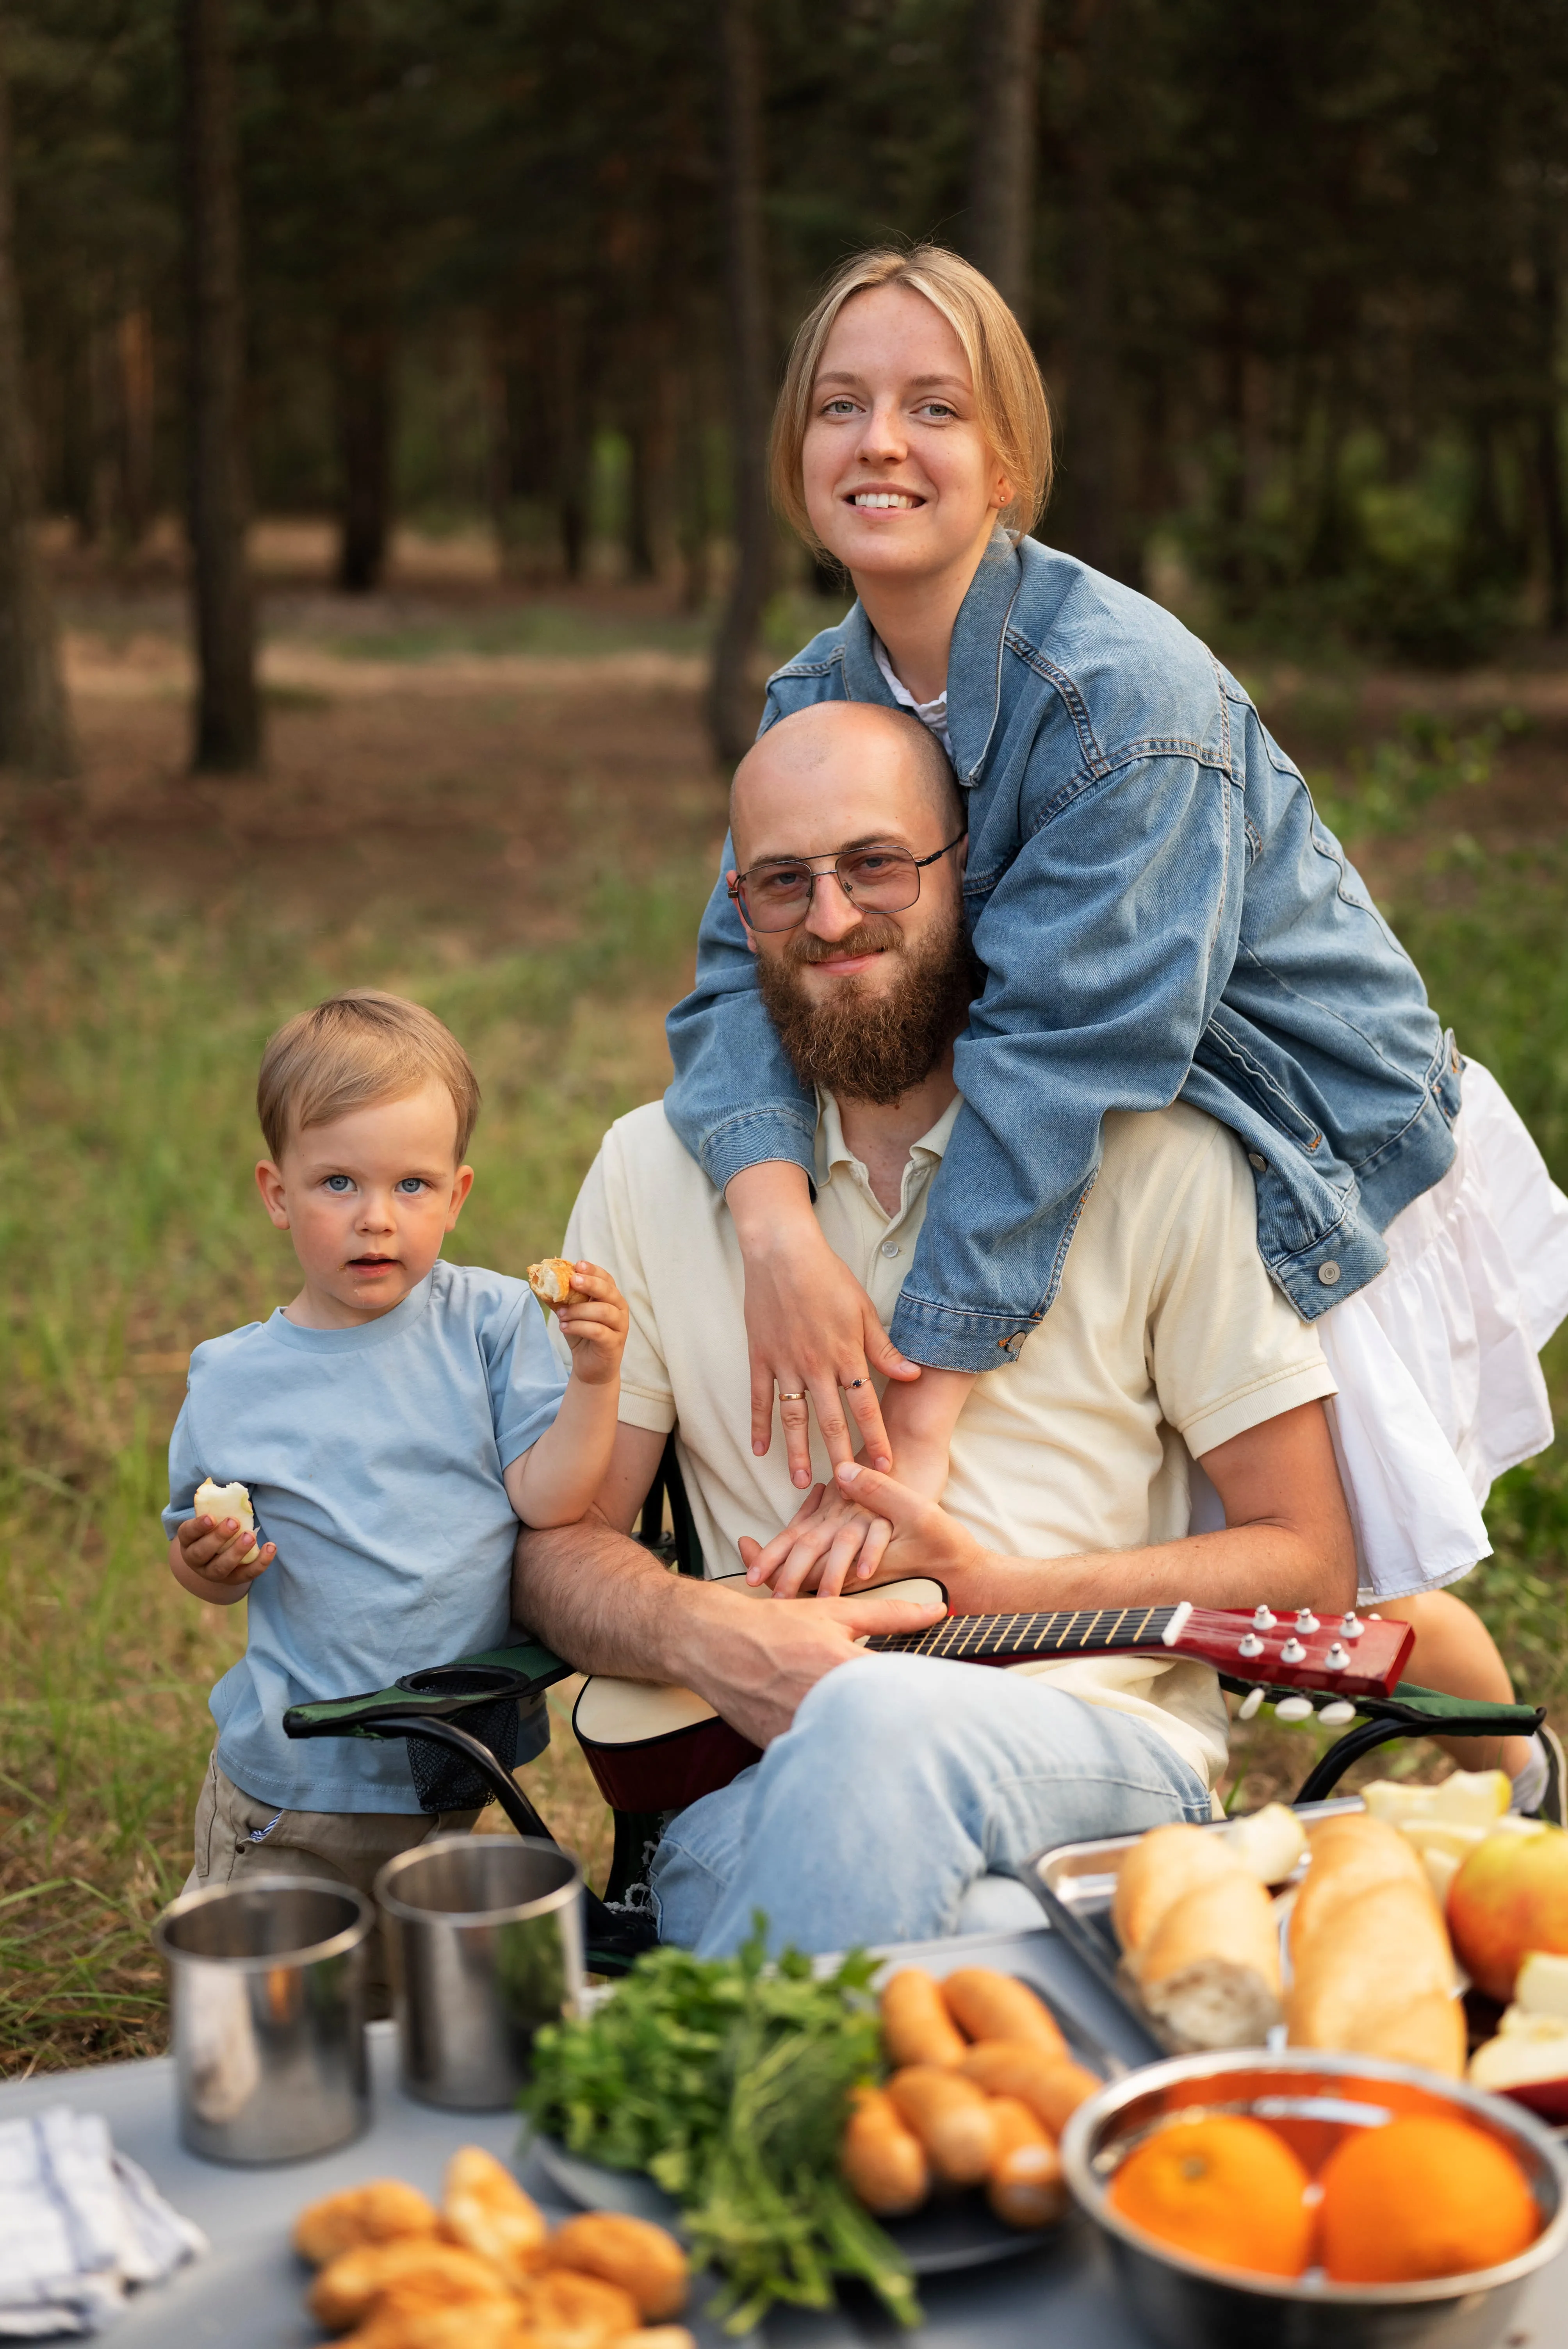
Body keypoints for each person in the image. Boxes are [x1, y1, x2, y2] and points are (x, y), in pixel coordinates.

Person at [664, 242, 1568, 1809]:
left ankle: (1507, 1786)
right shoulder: (822, 686)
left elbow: (1055, 1065)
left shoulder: (1113, 698)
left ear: (1003, 458)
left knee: (1312, 1584)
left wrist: (923, 1420)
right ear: (791, 454)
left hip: (1294, 1136)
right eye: (839, 405)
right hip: (1118, 1131)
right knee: (1131, 1519)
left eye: (932, 406)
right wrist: (772, 1225)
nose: (879, 442)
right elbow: (727, 962)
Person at [514, 700, 1362, 1955]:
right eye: (782, 883)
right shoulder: (650, 1172)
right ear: (737, 909)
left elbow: (1309, 1562)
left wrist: (1012, 1593)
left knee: (878, 1726)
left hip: (1103, 1764)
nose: (833, 917)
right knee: (993, 1940)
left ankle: (745, 2112)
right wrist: (711, 1632)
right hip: (751, 1793)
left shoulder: (1159, 1160)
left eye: (876, 865)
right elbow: (556, 1543)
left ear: (969, 871)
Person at [161, 989, 629, 1940]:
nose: (377, 1218)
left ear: (456, 1196)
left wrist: (595, 1375)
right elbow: (196, 1548)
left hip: (448, 1754)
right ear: (277, 1192)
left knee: (409, 1980)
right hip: (300, 1776)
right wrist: (205, 1562)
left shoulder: (493, 1325)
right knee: (276, 1980)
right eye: (339, 1183)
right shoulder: (236, 1379)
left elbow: (549, 1498)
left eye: (410, 1185)